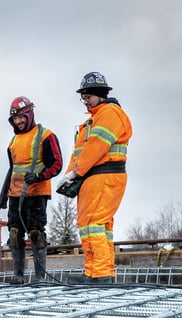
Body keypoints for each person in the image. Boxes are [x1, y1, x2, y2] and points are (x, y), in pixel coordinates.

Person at [59, 72, 132, 284]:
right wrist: (69, 175)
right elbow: (81, 152)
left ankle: (99, 275)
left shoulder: (109, 113)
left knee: (92, 223)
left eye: (88, 96)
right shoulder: (95, 118)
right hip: (95, 176)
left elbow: (96, 147)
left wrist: (75, 172)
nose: (85, 101)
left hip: (103, 174)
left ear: (100, 94)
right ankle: (98, 272)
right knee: (100, 226)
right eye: (83, 97)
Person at [1, 96, 63, 284]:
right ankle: (18, 276)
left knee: (36, 234)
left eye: (21, 118)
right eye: (15, 119)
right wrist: (5, 195)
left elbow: (56, 163)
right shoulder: (13, 142)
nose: (18, 122)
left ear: (29, 115)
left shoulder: (45, 135)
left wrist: (39, 176)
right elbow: (12, 170)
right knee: (14, 234)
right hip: (15, 194)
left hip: (36, 193)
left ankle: (39, 277)